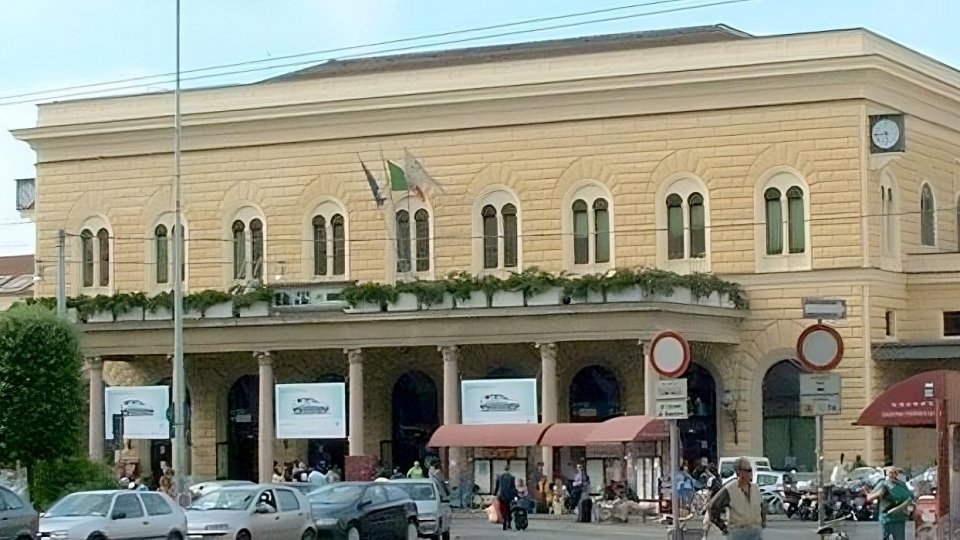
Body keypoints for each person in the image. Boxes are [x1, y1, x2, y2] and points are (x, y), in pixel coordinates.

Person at [707, 457, 766, 540]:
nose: (750, 472)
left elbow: (761, 506)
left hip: (756, 532)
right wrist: (723, 527)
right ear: (739, 472)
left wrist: (762, 522)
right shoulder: (730, 489)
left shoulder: (755, 488)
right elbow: (712, 506)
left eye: (750, 470)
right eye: (747, 470)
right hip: (738, 533)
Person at [865, 465, 913, 540]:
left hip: (900, 517)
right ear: (888, 473)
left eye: (897, 472)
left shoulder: (901, 484)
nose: (897, 474)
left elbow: (910, 497)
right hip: (888, 518)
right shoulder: (884, 483)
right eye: (894, 472)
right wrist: (879, 493)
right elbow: (870, 498)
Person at [494, 464, 518, 531]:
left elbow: (497, 487)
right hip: (509, 496)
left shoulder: (500, 477)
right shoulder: (512, 477)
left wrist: (494, 494)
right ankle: (509, 523)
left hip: (502, 496)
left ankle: (504, 521)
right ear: (509, 469)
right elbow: (513, 488)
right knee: (509, 510)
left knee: (502, 509)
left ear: (504, 469)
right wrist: (516, 495)